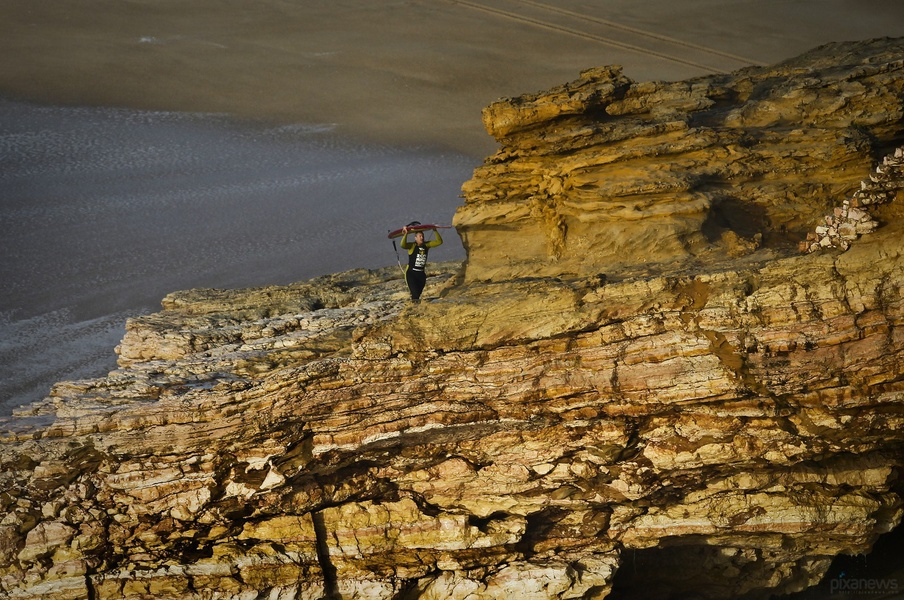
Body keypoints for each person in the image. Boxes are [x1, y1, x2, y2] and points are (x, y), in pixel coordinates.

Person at [400, 224, 443, 302]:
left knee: (418, 294)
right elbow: (403, 245)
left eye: (422, 236)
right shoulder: (412, 246)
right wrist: (406, 234)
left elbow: (439, 242)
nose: (422, 237)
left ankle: (414, 306)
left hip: (421, 274)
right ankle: (414, 308)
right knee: (415, 294)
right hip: (411, 274)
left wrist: (435, 230)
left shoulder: (426, 245)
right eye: (420, 236)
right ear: (415, 238)